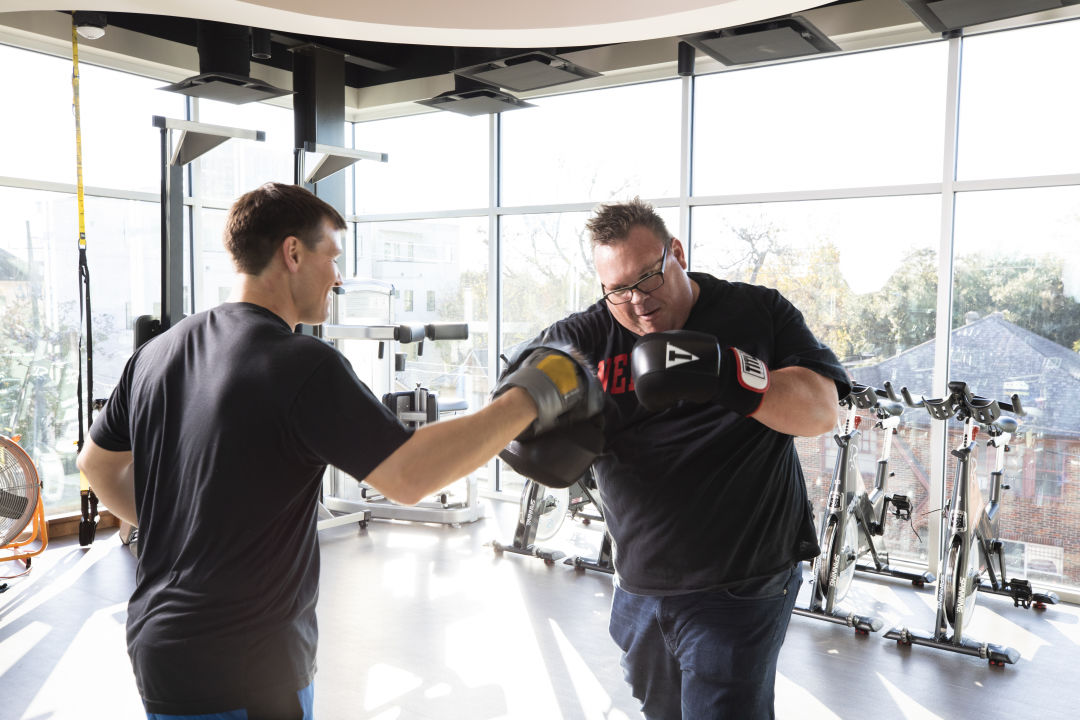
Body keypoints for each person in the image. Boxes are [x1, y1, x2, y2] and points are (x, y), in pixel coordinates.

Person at [76, 182, 599, 720]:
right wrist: (534, 394)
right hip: (245, 666)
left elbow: (95, 463)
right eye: (333, 256)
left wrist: (180, 524)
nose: (339, 277)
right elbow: (409, 477)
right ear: (293, 253)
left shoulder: (158, 352)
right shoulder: (301, 363)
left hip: (159, 648)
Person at [504, 198, 850, 719]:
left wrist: (728, 375)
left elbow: (823, 410)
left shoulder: (756, 311)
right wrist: (523, 431)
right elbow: (511, 396)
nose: (637, 301)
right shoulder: (584, 337)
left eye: (648, 278)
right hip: (640, 585)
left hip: (742, 582)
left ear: (677, 254)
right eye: (618, 289)